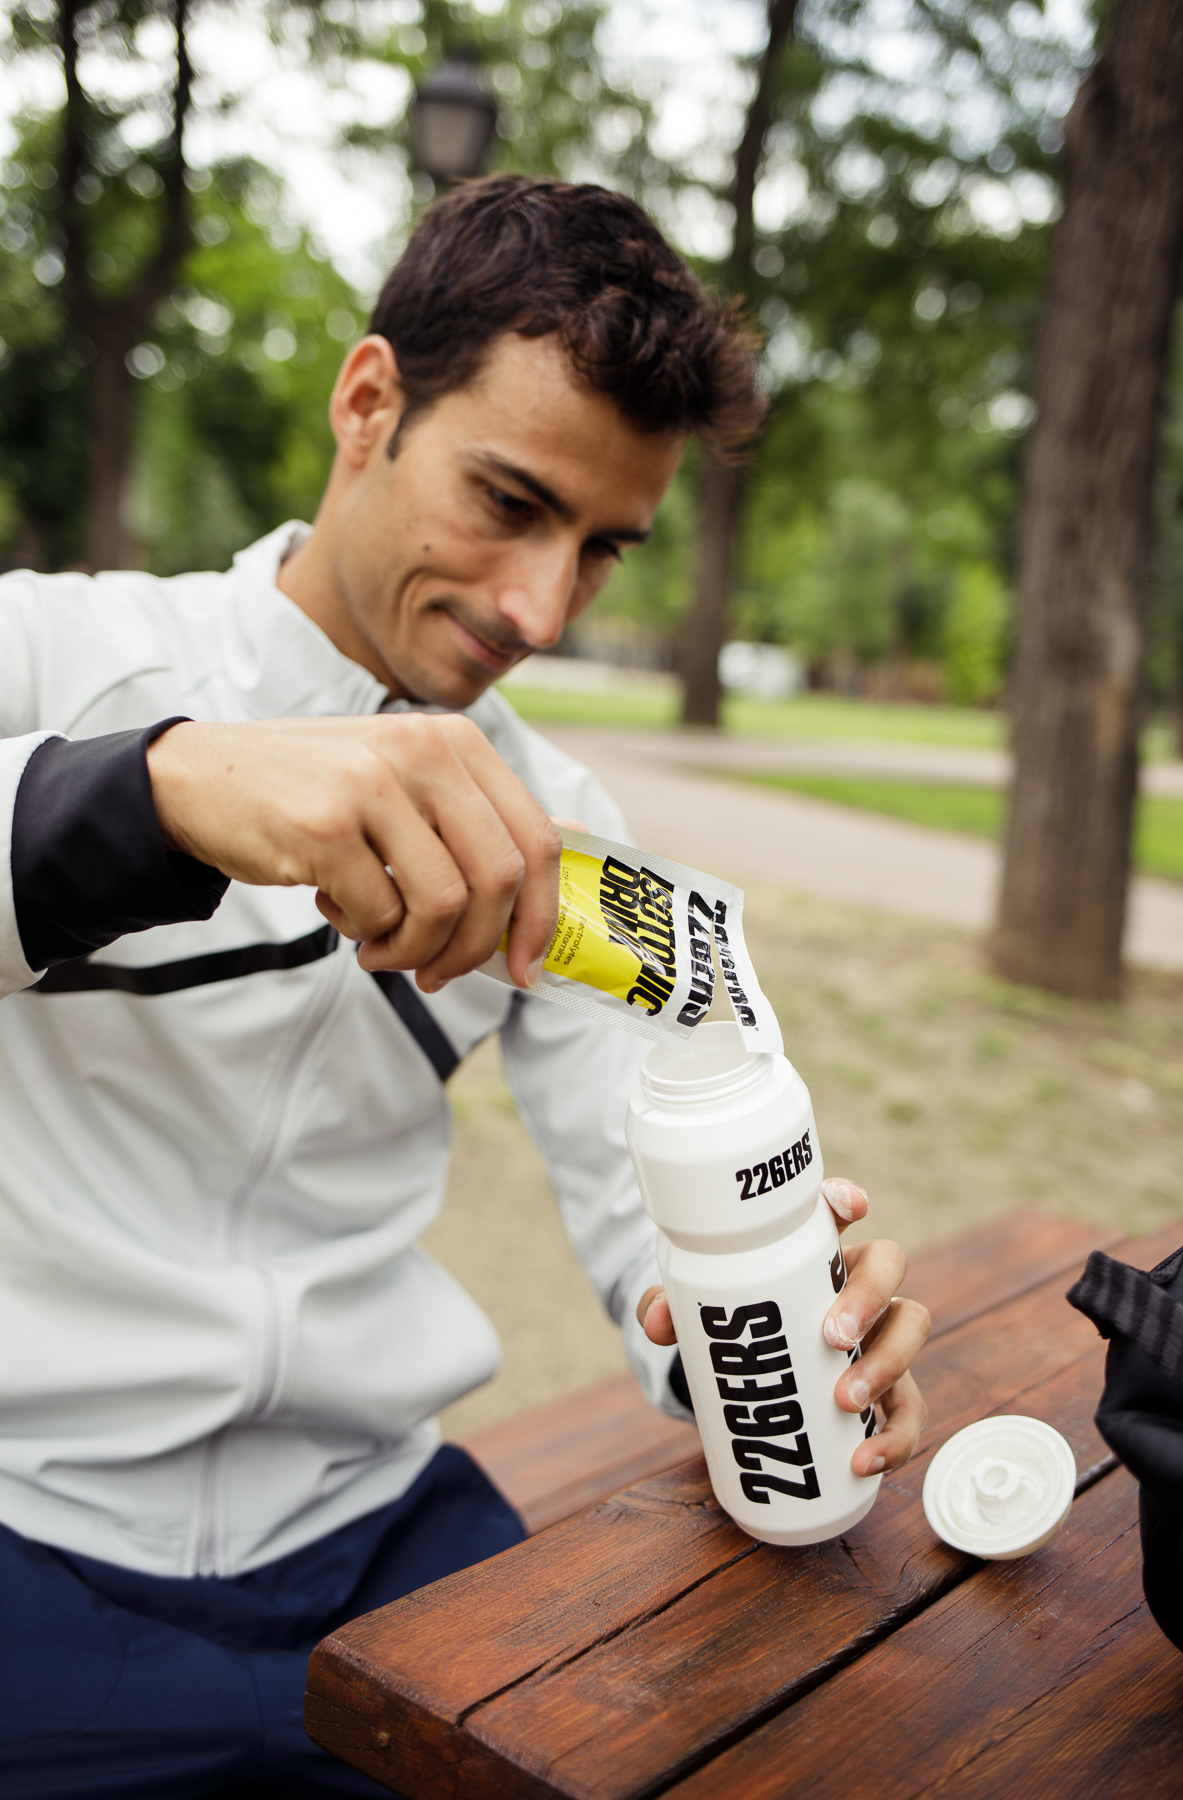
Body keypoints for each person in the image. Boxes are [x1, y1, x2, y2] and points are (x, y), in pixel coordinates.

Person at [0, 174, 930, 1796]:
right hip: (30, 1531)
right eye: (509, 500)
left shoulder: (568, 835)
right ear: (369, 402)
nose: (538, 608)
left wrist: (783, 1318)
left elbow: (657, 1211)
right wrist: (160, 790)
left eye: (601, 550)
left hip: (385, 1540)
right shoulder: (55, 654)